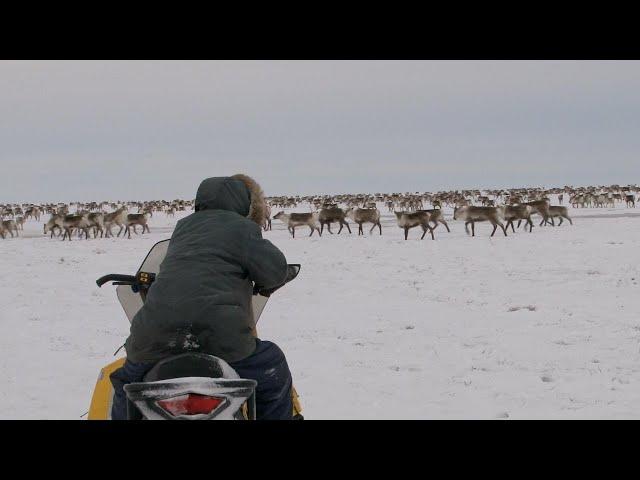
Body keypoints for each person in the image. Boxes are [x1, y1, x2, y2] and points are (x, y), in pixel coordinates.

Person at [110, 174, 294, 420]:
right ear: (243, 203)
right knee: (272, 366)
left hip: (152, 337)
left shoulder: (183, 228)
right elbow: (274, 272)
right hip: (221, 338)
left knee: (126, 383)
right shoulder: (243, 228)